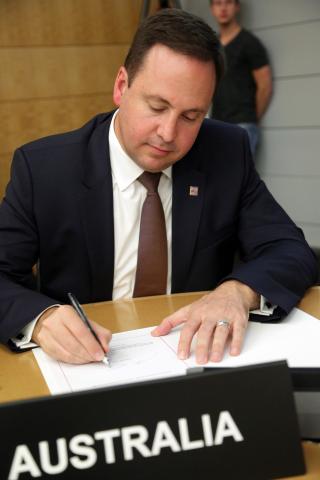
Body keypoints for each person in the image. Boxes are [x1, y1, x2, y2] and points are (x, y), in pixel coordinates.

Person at [0, 9, 317, 366]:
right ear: (121, 86)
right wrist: (40, 320)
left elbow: (289, 250)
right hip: (85, 365)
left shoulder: (226, 152)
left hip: (192, 357)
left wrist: (237, 292)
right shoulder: (44, 169)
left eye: (191, 116)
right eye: (157, 106)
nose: (168, 133)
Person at [209, 0, 273, 155]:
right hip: (215, 124)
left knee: (237, 178)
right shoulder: (212, 46)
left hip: (242, 126)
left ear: (237, 6)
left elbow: (265, 86)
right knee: (216, 176)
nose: (223, 8)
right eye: (218, 3)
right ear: (212, 9)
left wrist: (251, 118)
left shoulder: (249, 43)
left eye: (228, 2)